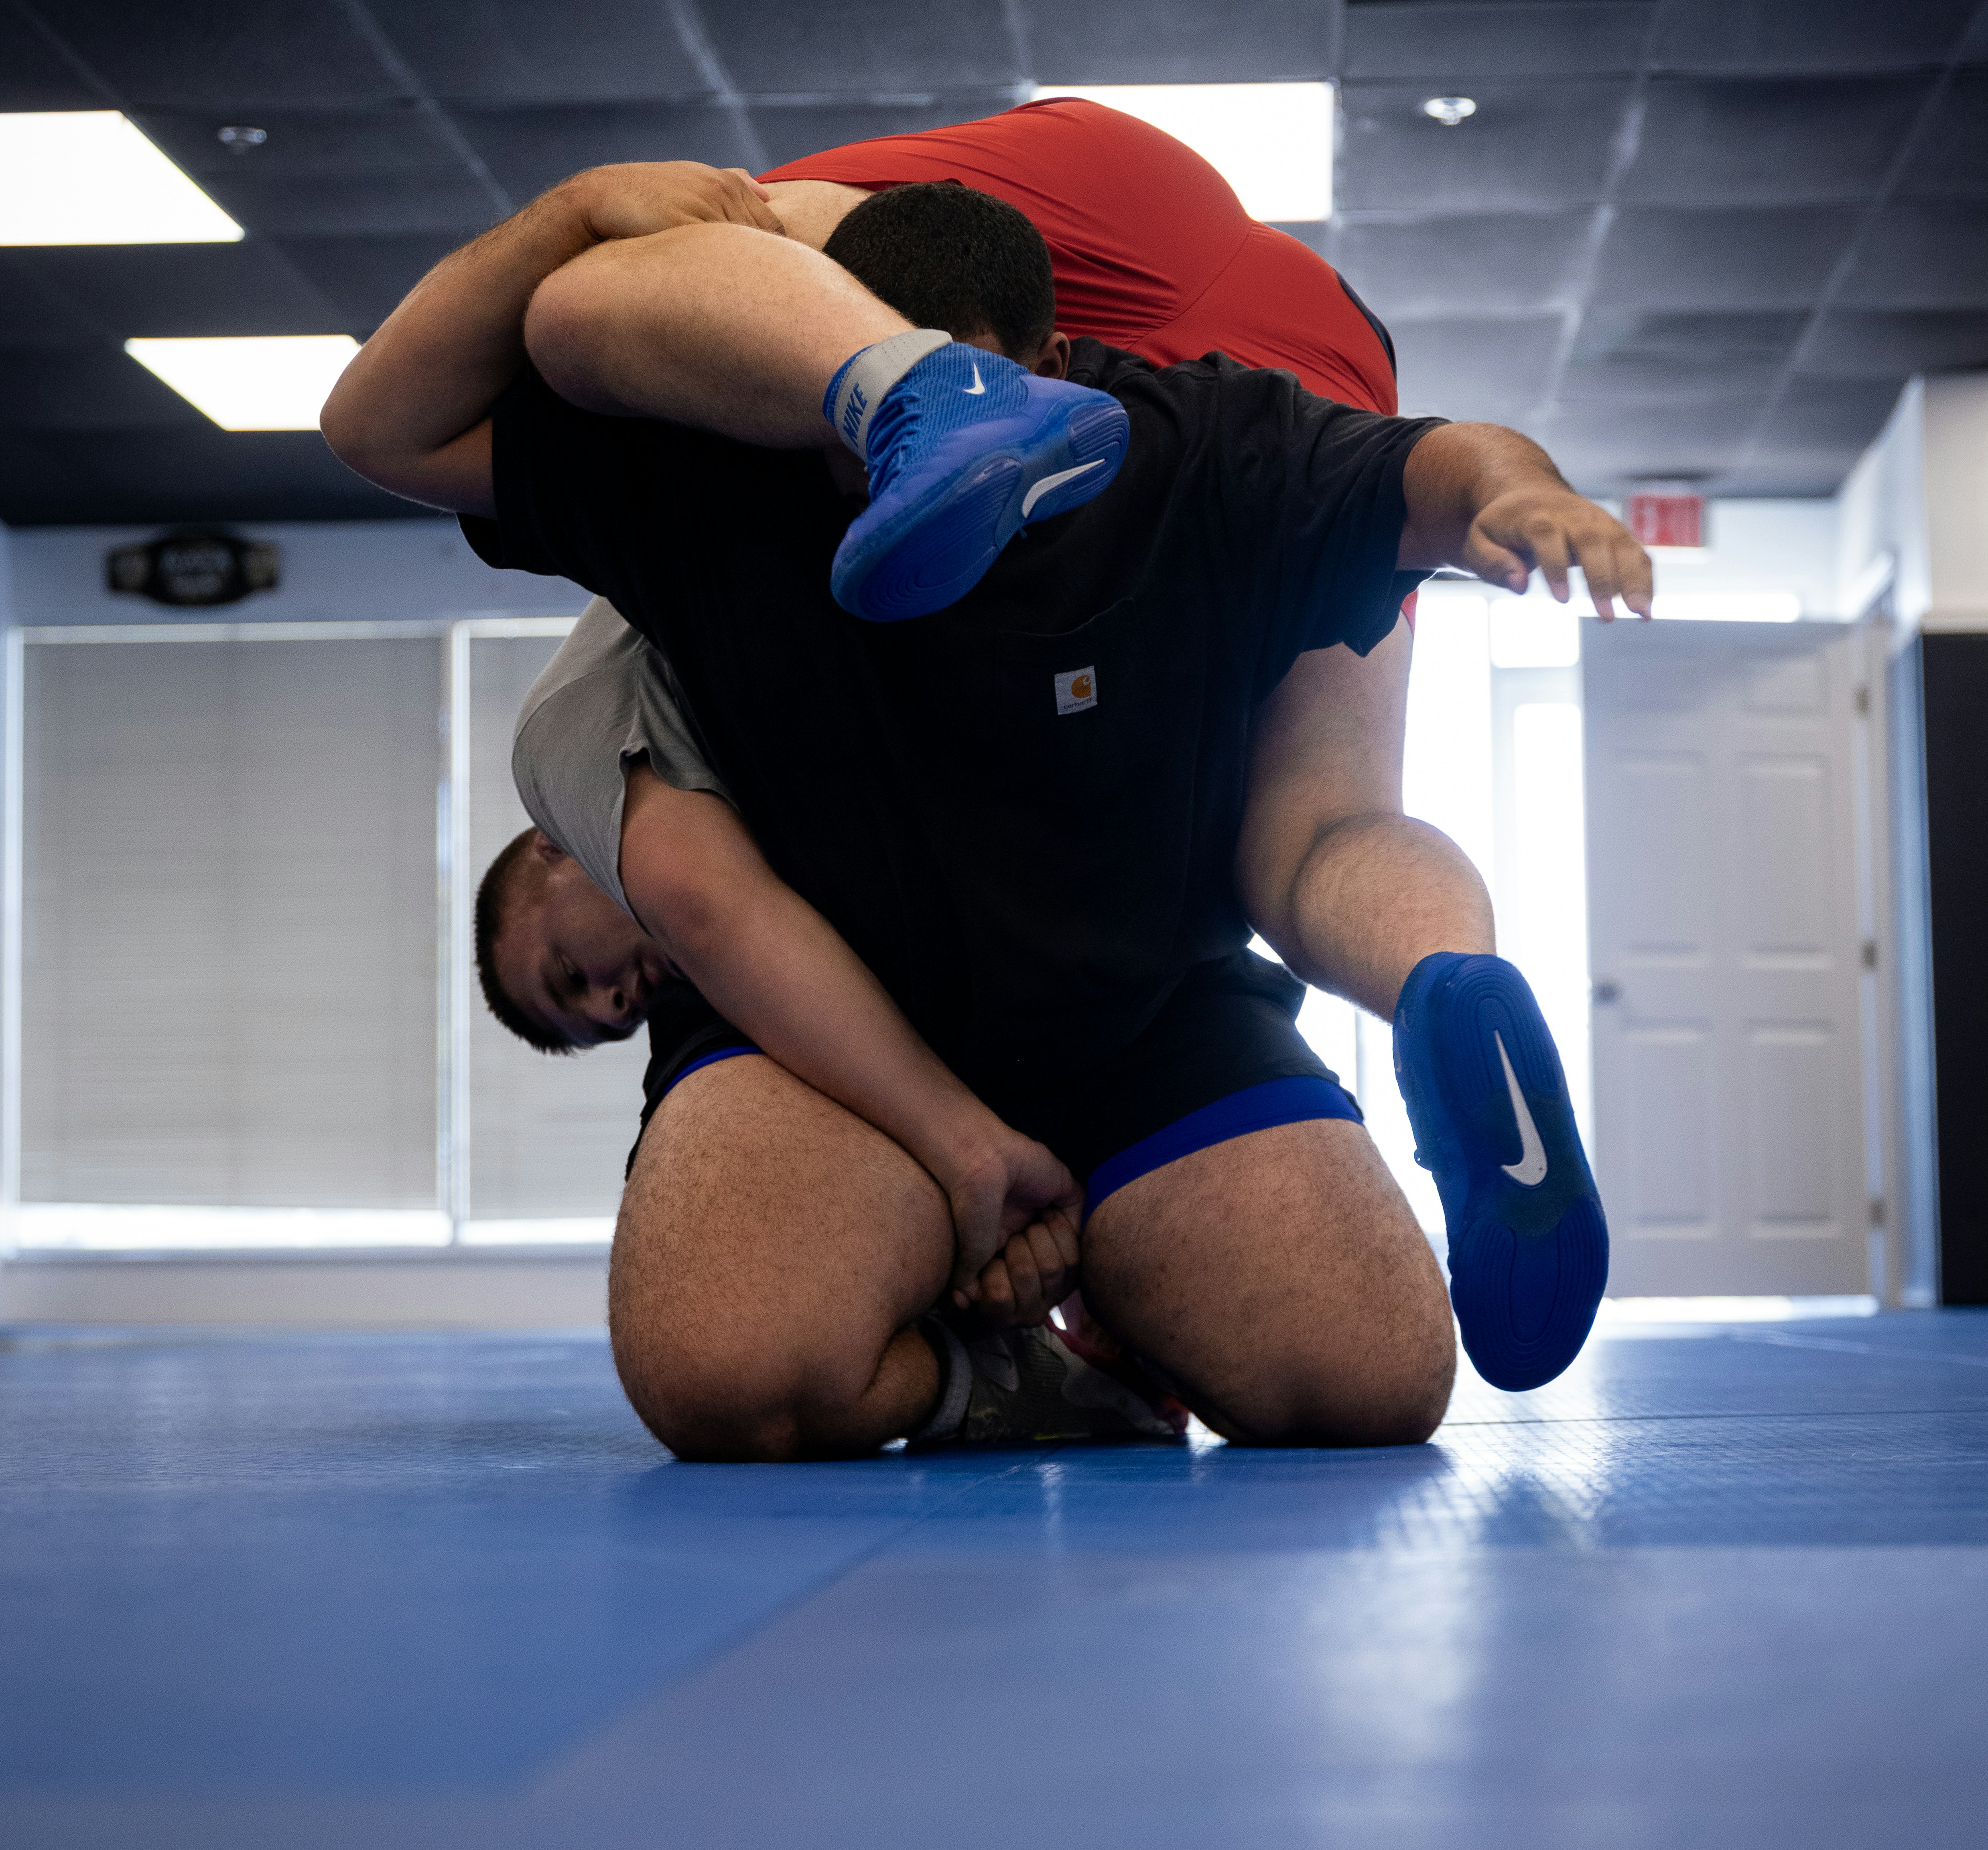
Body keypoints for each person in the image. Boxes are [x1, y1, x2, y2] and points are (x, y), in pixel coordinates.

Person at [322, 124, 1649, 1456]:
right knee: (1324, 833)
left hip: (1071, 273)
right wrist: (1513, 494)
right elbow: (1429, 471)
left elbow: (403, 413)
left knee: (583, 300)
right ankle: (1437, 981)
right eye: (607, 1010)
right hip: (1234, 341)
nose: (624, 987)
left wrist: (582, 208)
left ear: (556, 859)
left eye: (575, 974)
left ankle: (912, 384)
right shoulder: (736, 462)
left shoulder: (601, 691)